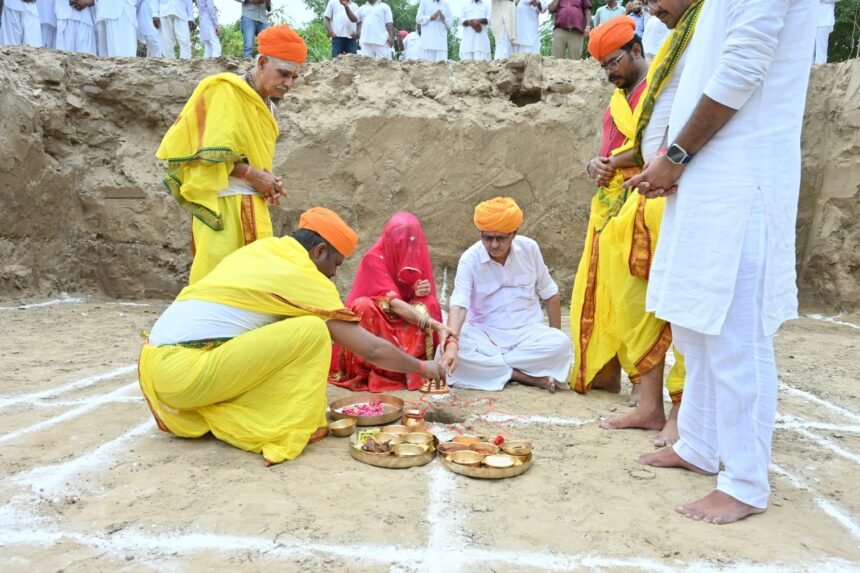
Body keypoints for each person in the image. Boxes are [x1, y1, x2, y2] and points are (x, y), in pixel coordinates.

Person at [628, 0, 817, 525]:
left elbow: (742, 70)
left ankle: (745, 481)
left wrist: (676, 156)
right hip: (707, 179)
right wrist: (668, 156)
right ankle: (700, 444)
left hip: (741, 179)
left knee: (737, 334)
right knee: (694, 321)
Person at [139, 208, 447, 466]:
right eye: (335, 264)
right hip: (185, 374)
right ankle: (286, 421)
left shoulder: (263, 251)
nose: (334, 275)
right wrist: (423, 368)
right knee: (313, 329)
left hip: (156, 368)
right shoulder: (304, 274)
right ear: (319, 252)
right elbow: (372, 350)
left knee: (301, 325)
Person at [573, 5, 702, 449]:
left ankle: (686, 410)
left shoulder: (664, 83)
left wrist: (620, 161)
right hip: (619, 213)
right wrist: (598, 162)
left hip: (663, 204)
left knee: (677, 305)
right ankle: (649, 405)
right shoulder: (617, 99)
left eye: (615, 62)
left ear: (637, 48)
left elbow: (664, 146)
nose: (611, 72)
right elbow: (618, 147)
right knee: (631, 305)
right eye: (604, 67)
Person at [156, 25, 303, 285]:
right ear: (262, 62)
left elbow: (252, 155)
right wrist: (254, 175)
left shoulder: (268, 105)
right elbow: (198, 153)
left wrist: (268, 181)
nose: (289, 83)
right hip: (222, 207)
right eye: (283, 74)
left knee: (255, 283)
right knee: (217, 282)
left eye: (294, 77)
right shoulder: (224, 90)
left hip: (254, 205)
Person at [439, 197, 573, 393]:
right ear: (480, 234)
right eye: (487, 238)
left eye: (500, 238)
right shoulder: (470, 258)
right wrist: (451, 345)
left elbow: (551, 294)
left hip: (527, 334)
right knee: (443, 351)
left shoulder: (530, 249)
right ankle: (521, 375)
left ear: (514, 234)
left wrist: (555, 335)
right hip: (484, 335)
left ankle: (493, 369)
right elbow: (459, 304)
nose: (493, 244)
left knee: (562, 344)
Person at [330, 212, 449, 393]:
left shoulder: (414, 256)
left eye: (412, 244)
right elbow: (392, 302)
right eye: (401, 244)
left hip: (405, 319)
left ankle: (418, 370)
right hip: (379, 323)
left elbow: (409, 298)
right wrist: (433, 324)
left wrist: (418, 292)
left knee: (429, 302)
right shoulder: (373, 258)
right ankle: (371, 371)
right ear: (390, 240)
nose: (407, 250)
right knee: (363, 306)